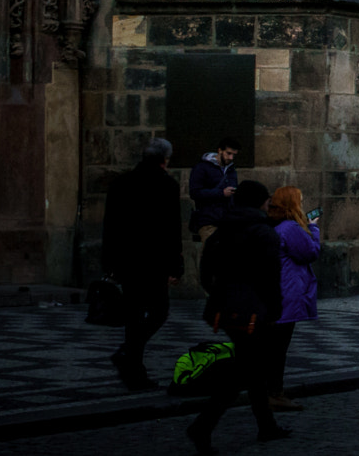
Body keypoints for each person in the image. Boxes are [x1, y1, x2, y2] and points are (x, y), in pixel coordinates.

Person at [190, 182, 285, 453]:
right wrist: (274, 311)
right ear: (259, 203)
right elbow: (270, 278)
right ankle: (202, 426)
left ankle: (266, 426)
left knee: (253, 370)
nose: (269, 204)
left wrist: (219, 296)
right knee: (243, 373)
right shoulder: (264, 232)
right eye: (266, 200)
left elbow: (206, 272)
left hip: (224, 309)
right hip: (254, 311)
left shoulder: (221, 231)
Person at [103, 136, 183, 391]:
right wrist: (176, 265)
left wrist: (109, 261)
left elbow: (110, 225)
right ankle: (129, 356)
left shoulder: (121, 183)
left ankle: (133, 368)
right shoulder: (167, 185)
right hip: (154, 261)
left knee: (134, 314)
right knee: (158, 311)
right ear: (165, 159)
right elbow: (171, 229)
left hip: (127, 260)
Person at [264, 185, 320, 412]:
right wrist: (313, 229)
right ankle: (274, 393)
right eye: (301, 200)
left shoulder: (276, 224)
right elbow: (310, 252)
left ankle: (269, 393)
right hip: (287, 292)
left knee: (273, 347)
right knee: (279, 348)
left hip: (276, 291)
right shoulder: (289, 228)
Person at [188, 136, 240, 240]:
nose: (231, 158)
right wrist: (221, 193)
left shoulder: (231, 169)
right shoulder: (202, 168)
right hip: (208, 220)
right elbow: (195, 192)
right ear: (220, 150)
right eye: (228, 153)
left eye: (233, 155)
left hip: (227, 220)